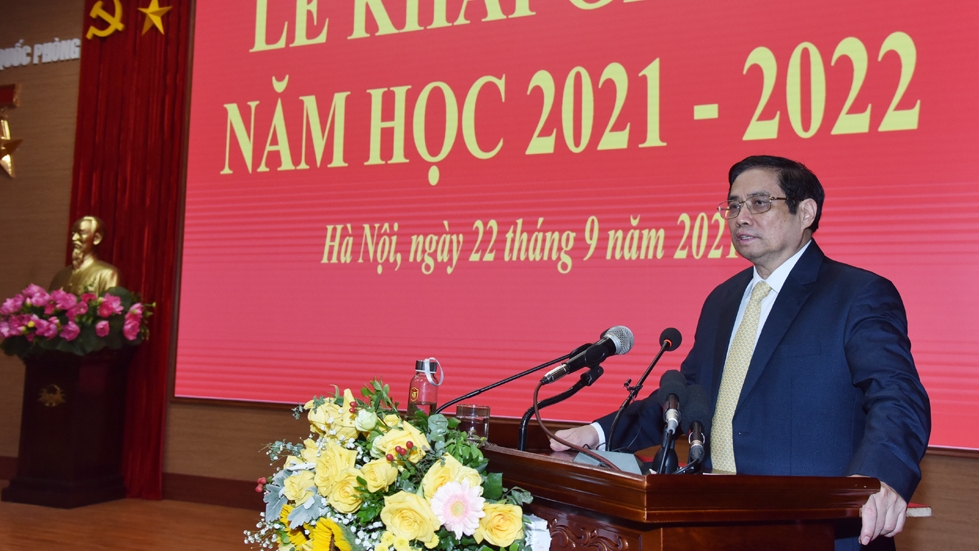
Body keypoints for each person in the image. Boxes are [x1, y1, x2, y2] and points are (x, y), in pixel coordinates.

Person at [551, 155, 930, 550]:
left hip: (821, 531)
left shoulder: (856, 294)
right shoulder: (724, 300)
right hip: (717, 526)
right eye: (733, 205)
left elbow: (898, 396)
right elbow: (686, 398)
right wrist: (597, 434)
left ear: (806, 212)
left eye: (760, 203)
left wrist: (881, 479)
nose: (741, 217)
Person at [49, 215, 121, 296]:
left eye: (81, 233)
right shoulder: (60, 276)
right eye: (73, 233)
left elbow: (110, 305)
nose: (74, 238)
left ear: (96, 238)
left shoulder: (108, 274)